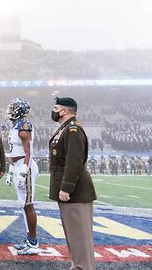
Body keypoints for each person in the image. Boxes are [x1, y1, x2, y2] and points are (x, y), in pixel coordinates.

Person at [49, 97, 97, 270]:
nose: (53, 110)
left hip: (75, 191)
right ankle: (77, 265)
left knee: (80, 236)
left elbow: (74, 161)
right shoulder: (65, 128)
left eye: (56, 107)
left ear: (65, 110)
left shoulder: (73, 129)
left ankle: (84, 267)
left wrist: (66, 187)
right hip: (69, 191)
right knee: (73, 235)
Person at [4, 98, 40, 255]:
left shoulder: (24, 126)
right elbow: (14, 152)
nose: (10, 111)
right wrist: (11, 171)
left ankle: (33, 242)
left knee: (28, 204)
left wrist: (24, 170)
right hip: (18, 166)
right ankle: (29, 239)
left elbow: (29, 151)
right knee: (23, 205)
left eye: (12, 108)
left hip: (26, 167)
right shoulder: (15, 126)